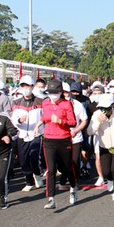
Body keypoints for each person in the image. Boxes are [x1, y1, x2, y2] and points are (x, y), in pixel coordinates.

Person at [34, 80, 78, 210]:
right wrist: (38, 125)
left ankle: (73, 187)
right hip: (49, 139)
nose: (52, 95)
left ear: (60, 92)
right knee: (51, 169)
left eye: (55, 93)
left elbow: (73, 122)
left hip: (63, 139)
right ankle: (51, 198)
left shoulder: (67, 104)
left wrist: (60, 121)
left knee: (67, 167)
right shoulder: (45, 103)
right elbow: (44, 117)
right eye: (50, 93)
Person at [11, 75, 45, 192]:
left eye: (28, 86)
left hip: (36, 134)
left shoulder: (40, 101)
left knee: (34, 157)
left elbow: (45, 117)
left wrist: (39, 127)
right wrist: (19, 120)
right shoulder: (16, 102)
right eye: (23, 86)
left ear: (32, 86)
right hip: (22, 134)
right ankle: (29, 181)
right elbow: (13, 120)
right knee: (24, 160)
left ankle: (37, 174)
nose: (26, 88)